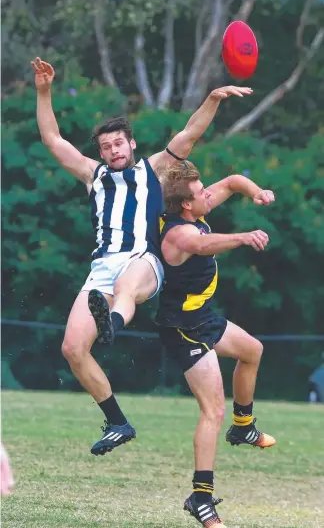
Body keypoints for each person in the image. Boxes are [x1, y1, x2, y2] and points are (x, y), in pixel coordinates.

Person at [31, 56, 253, 456]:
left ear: (131, 144)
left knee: (126, 287)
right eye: (105, 146)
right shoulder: (93, 175)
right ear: (100, 152)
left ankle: (113, 321)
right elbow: (52, 140)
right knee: (72, 349)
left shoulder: (154, 169)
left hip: (144, 262)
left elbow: (190, 134)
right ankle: (117, 421)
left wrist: (214, 99)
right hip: (101, 269)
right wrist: (44, 91)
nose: (113, 150)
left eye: (118, 143)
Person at [155, 161, 276, 527]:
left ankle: (243, 427)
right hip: (182, 328)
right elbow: (203, 243)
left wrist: (255, 191)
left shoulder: (195, 206)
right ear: (187, 206)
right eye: (201, 192)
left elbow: (233, 180)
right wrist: (242, 237)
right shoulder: (177, 234)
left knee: (252, 351)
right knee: (212, 412)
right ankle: (201, 498)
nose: (209, 193)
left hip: (203, 317)